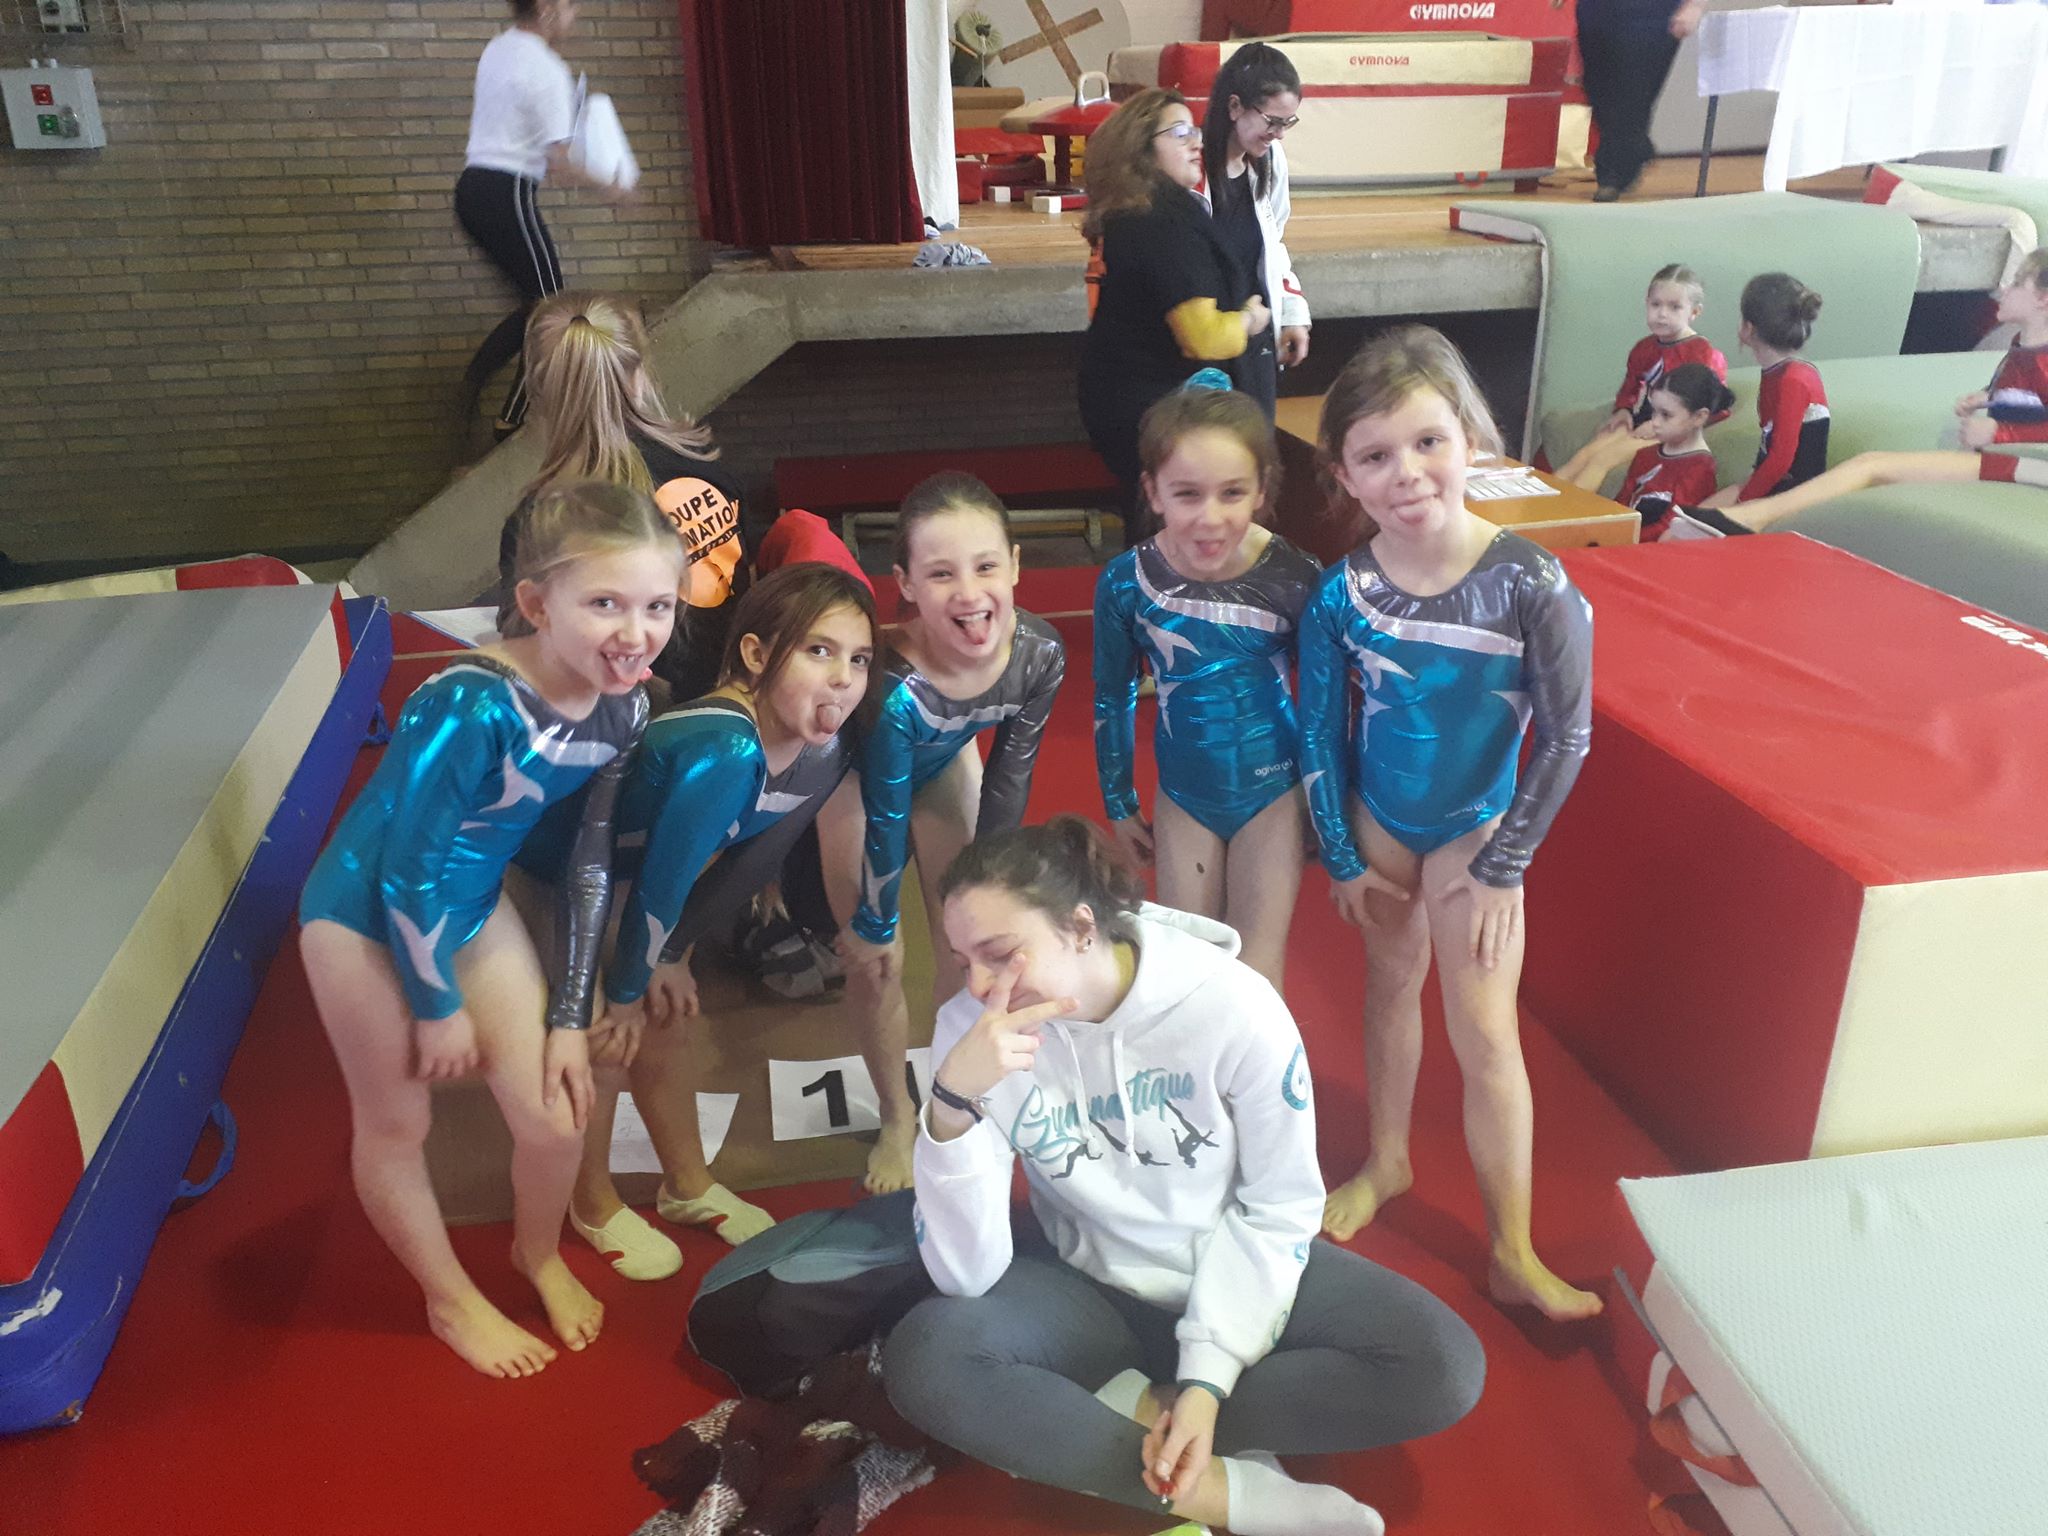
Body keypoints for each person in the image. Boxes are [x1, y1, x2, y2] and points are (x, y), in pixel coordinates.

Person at [883, 817, 1486, 1535]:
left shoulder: (1233, 1007)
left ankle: (1116, 1411)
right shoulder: (972, 1031)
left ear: (1082, 928)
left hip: (1224, 1261)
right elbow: (967, 1274)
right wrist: (950, 1107)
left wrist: (1206, 1380)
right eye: (963, 962)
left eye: (1000, 954)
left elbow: (1279, 1205)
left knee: (1442, 1366)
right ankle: (1233, 1496)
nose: (981, 986)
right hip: (1084, 1285)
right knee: (927, 1357)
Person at [297, 480, 684, 1376]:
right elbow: (405, 866)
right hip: (361, 921)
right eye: (605, 604)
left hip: (469, 911)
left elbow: (589, 858)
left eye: (657, 606)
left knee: (555, 1120)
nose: (636, 633)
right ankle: (449, 1299)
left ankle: (535, 1254)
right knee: (397, 1120)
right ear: (536, 605)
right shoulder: (469, 704)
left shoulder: (626, 706)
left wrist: (568, 1016)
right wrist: (435, 1005)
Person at [1298, 326, 1601, 1323]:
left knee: (1484, 1032)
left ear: (1471, 439)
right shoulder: (1342, 591)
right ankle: (1386, 1160)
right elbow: (1317, 732)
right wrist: (1340, 852)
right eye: (1375, 456)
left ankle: (1512, 1248)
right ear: (1343, 474)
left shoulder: (1532, 584)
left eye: (1428, 442)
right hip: (1381, 821)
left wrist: (1506, 863)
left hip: (1478, 830)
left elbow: (1567, 736)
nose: (1407, 473)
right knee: (1388, 988)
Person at [519, 566, 878, 1280]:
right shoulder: (726, 749)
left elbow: (753, 860)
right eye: (818, 651)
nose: (843, 679)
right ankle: (591, 1202)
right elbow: (664, 881)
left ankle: (685, 1184)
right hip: (548, 862)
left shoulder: (822, 750)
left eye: (860, 659)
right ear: (755, 655)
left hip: (627, 870)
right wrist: (631, 987)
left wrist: (674, 952)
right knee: (602, 1033)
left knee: (668, 1019)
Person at [816, 472, 1066, 1194]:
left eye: (985, 566)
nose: (969, 593)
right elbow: (885, 809)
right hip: (856, 781)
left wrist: (993, 889)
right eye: (941, 574)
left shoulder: (1040, 654)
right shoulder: (894, 684)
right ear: (905, 585)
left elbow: (1010, 780)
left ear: (1014, 565)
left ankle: (954, 1091)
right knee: (878, 959)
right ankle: (897, 1117)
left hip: (944, 758)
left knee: (974, 944)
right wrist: (874, 920)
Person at [1093, 387, 1320, 989]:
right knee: (1188, 972)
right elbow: (1112, 694)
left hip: (1273, 792)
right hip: (1185, 794)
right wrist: (1119, 801)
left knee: (1255, 976)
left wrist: (1324, 801)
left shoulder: (1295, 577)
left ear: (1262, 490)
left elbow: (1325, 708)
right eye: (1187, 494)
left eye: (1232, 493)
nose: (1210, 518)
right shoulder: (1127, 582)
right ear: (1152, 492)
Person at [522, 292, 748, 704]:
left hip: (635, 720)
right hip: (740, 695)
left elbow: (538, 657)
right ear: (641, 374)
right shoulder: (705, 464)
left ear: (539, 392)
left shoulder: (544, 517)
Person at [1079, 88, 1273, 541]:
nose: (1197, 142)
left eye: (1196, 131)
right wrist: (1250, 319)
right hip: (1157, 410)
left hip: (1129, 402)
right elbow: (1204, 337)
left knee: (1155, 527)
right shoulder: (1163, 220)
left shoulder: (1138, 211)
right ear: (1141, 148)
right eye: (1180, 132)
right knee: (1171, 534)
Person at [455, 0, 635, 443]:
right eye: (570, 5)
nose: (576, 15)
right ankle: (509, 420)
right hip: (506, 192)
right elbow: (559, 163)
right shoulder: (548, 68)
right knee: (552, 310)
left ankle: (476, 389)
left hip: (472, 189)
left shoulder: (498, 48)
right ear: (547, 8)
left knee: (536, 304)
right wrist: (611, 189)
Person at [1200, 42, 1311, 418]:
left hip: (1254, 342)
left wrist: (1292, 313)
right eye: (1272, 121)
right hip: (1203, 343)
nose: (1279, 134)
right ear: (1234, 107)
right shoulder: (1191, 168)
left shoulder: (1271, 160)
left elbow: (1273, 243)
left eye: (1288, 123)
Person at [1699, 272, 1828, 508]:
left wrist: (1743, 503)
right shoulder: (1775, 373)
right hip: (1774, 485)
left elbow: (1780, 460)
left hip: (1794, 494)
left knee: (1691, 524)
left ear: (1748, 327)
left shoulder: (1794, 380)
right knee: (1686, 520)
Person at [1561, 362, 1732, 539]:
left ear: (1699, 417)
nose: (1655, 422)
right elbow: (1621, 507)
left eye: (1666, 415)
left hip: (1649, 548)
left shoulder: (1699, 468)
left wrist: (1618, 537)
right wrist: (1600, 528)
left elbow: (1670, 527)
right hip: (1620, 539)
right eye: (1654, 412)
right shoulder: (1646, 454)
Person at [1577, 0, 1706, 202]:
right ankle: (1636, 148)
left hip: (1655, 13)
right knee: (1596, 88)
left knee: (1634, 92)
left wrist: (1695, 6)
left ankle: (1611, 176)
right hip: (1595, 9)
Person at [1601, 265, 1728, 437]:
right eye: (1656, 304)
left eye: (1674, 307)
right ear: (1647, 303)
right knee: (1604, 436)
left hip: (1680, 425)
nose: (1662, 314)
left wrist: (1664, 425)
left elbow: (1711, 405)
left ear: (1694, 312)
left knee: (1618, 451)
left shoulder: (1703, 354)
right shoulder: (1644, 348)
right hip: (1650, 416)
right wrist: (1623, 409)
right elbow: (1631, 386)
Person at [1955, 250, 2048, 449]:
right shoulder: (2022, 345)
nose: (2005, 289)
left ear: (2043, 299)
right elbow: (2026, 395)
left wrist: (1998, 433)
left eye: (2017, 283)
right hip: (2002, 457)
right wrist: (1988, 397)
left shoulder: (2044, 362)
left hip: (2021, 462)